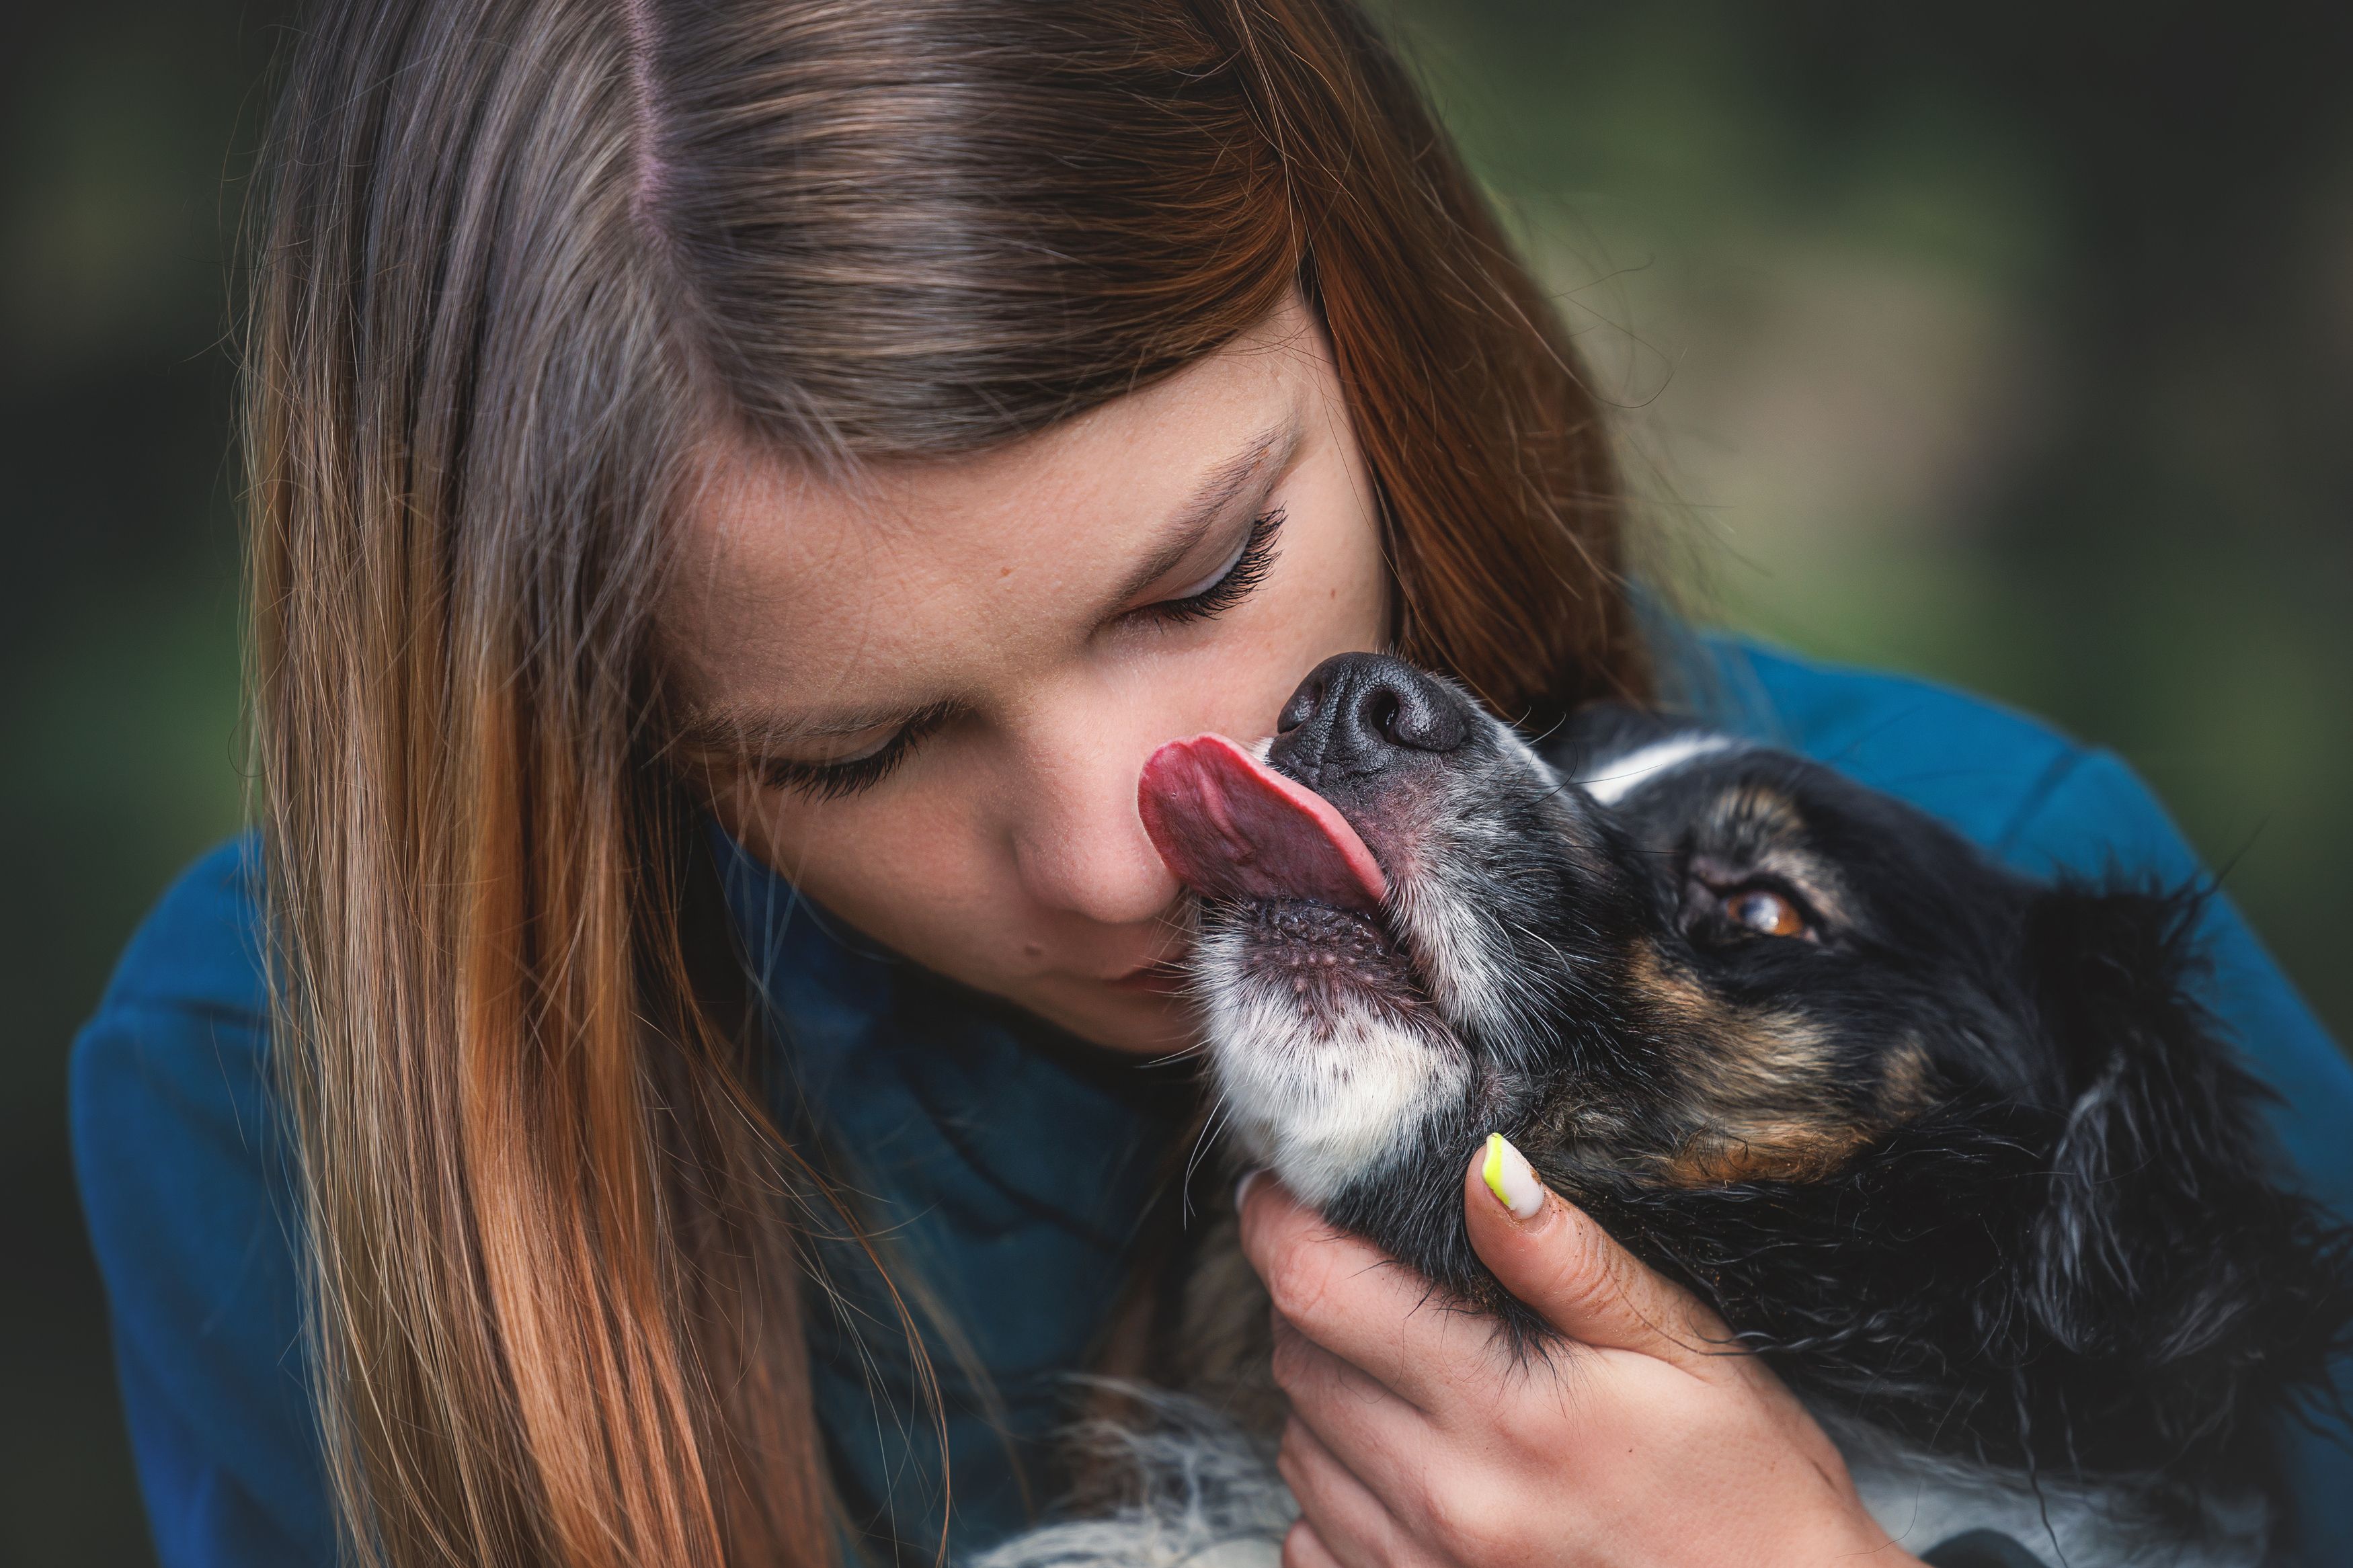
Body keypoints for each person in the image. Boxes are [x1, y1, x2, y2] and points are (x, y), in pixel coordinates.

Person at [67, 1, 2353, 1565]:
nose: (1106, 848)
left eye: (1203, 573)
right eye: (849, 749)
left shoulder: (2006, 905)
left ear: (1361, 305)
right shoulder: (294, 1089)